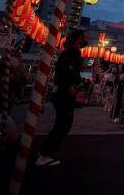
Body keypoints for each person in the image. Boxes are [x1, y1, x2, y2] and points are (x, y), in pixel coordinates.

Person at [36, 29, 88, 167]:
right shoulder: (74, 52)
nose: (85, 41)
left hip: (59, 90)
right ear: (79, 39)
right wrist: (70, 86)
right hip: (65, 91)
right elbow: (68, 70)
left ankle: (45, 151)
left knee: (60, 124)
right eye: (84, 38)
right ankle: (45, 155)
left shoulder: (67, 52)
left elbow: (67, 68)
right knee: (63, 125)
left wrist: (79, 68)